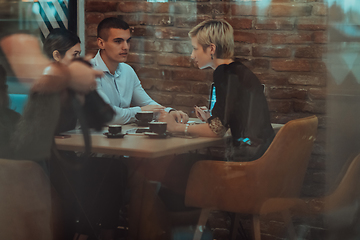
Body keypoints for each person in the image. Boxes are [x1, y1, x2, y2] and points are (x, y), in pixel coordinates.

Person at [42, 28, 127, 240]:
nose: (79, 60)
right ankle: (84, 233)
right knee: (101, 176)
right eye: (75, 55)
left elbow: (102, 118)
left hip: (68, 155)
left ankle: (101, 234)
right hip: (47, 162)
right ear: (56, 56)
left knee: (115, 168)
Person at [160, 19, 275, 162]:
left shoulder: (223, 73)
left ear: (211, 49)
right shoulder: (238, 70)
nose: (192, 55)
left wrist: (176, 127)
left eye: (195, 48)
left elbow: (216, 131)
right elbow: (230, 119)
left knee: (177, 163)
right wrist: (211, 118)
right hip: (264, 157)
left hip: (248, 162)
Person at [91, 17, 189, 124]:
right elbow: (108, 115)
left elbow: (147, 103)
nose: (126, 47)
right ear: (101, 43)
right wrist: (140, 111)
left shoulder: (127, 70)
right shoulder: (89, 71)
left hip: (119, 137)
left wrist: (169, 112)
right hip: (87, 139)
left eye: (128, 41)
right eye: (118, 41)